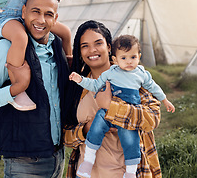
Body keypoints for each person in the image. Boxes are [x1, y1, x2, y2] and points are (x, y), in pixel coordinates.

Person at [0, 0, 70, 178]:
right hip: (24, 163)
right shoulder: (4, 49)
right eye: (35, 12)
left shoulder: (57, 45)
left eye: (48, 14)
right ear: (23, 12)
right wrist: (16, 89)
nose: (41, 20)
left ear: (55, 18)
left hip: (57, 156)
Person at [64, 20, 162, 178]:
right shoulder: (78, 86)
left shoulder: (132, 77)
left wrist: (112, 108)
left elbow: (152, 118)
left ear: (109, 47)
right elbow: (66, 136)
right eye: (85, 46)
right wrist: (86, 129)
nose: (92, 50)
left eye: (98, 43)